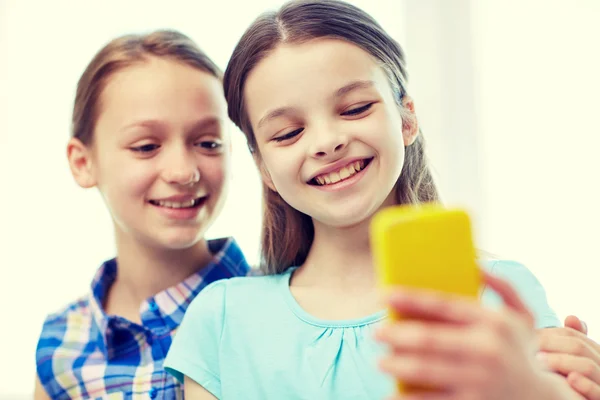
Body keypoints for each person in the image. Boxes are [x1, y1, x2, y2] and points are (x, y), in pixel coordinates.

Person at [163, 1, 600, 399]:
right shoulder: (221, 322)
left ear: (407, 118)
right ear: (264, 169)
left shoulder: (500, 295)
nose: (327, 142)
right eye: (288, 133)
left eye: (354, 109)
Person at [33, 30, 251, 399]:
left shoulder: (284, 305)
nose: (183, 171)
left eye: (208, 143)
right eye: (147, 146)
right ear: (83, 162)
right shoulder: (61, 345)